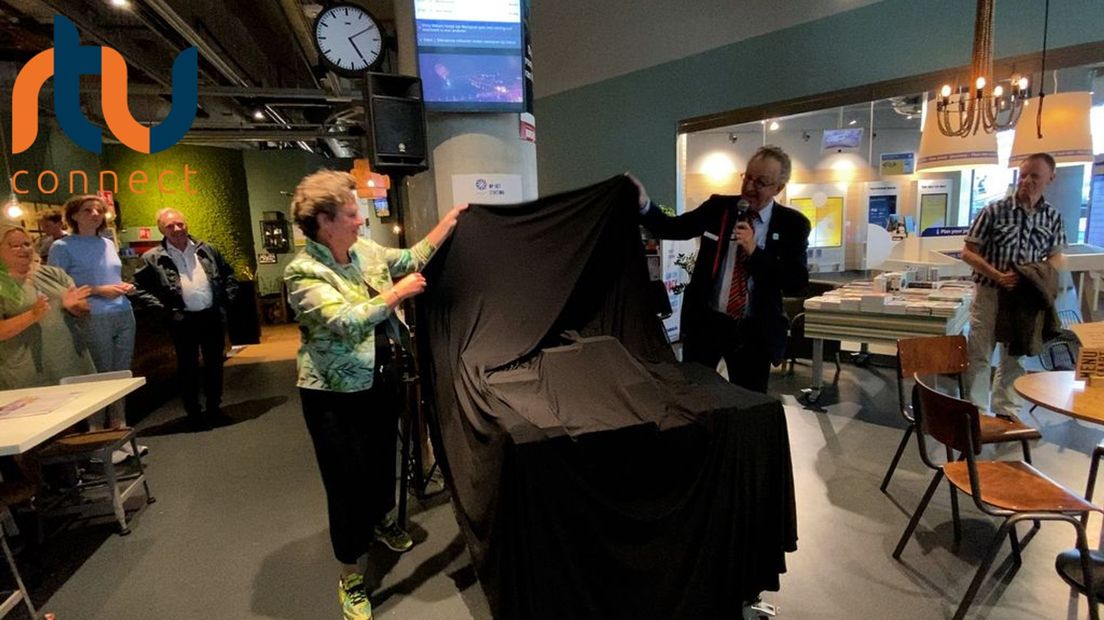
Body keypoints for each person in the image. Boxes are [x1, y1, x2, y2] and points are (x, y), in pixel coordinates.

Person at [283, 170, 466, 620]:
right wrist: (396, 296)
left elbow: (412, 256)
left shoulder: (365, 252)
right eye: (351, 214)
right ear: (325, 221)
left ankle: (383, 519)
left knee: (384, 459)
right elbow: (344, 320)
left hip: (382, 379)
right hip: (334, 396)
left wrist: (451, 221)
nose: (360, 222)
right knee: (345, 483)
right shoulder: (303, 271)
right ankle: (350, 573)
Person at [632, 145, 811, 393]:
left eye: (760, 182)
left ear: (778, 188)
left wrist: (755, 252)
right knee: (696, 395)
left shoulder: (793, 224)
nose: (749, 187)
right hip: (707, 325)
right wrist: (644, 204)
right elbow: (673, 228)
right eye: (747, 177)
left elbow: (796, 282)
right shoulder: (719, 208)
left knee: (747, 404)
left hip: (753, 333)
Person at [963, 152, 1066, 417]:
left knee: (1015, 355)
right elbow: (968, 251)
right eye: (1023, 175)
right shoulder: (994, 210)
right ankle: (974, 413)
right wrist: (996, 274)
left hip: (1024, 298)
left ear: (1050, 179)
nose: (1026, 181)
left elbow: (1056, 255)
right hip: (990, 292)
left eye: (1035, 176)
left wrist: (1037, 274)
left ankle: (1006, 411)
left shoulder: (1052, 217)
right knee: (979, 352)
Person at [47, 195, 141, 461]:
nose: (95, 214)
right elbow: (57, 286)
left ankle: (120, 435)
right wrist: (100, 290)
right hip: (92, 316)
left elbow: (109, 275)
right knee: (99, 375)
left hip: (122, 312)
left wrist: (122, 286)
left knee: (121, 375)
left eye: (99, 210)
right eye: (88, 210)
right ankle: (97, 440)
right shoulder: (62, 246)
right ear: (74, 215)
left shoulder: (108, 243)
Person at [133, 208, 239, 430]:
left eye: (180, 224)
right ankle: (193, 414)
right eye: (170, 226)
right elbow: (138, 288)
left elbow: (229, 275)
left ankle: (214, 409)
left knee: (214, 365)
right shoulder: (153, 258)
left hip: (210, 316)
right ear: (162, 229)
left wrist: (224, 301)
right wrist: (165, 310)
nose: (177, 229)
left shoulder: (207, 250)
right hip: (182, 320)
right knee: (187, 368)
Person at [0, 223, 96, 390]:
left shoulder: (53, 273)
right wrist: (32, 315)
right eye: (15, 246)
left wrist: (74, 307)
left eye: (27, 244)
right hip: (29, 372)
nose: (23, 249)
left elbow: (83, 309)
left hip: (71, 360)